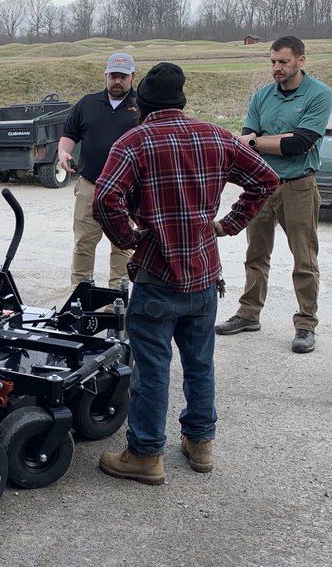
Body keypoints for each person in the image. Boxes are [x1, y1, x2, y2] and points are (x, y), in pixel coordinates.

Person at [92, 63, 279, 484]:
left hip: (157, 273)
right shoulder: (216, 135)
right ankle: (200, 443)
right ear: (182, 100)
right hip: (204, 272)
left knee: (153, 366)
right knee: (200, 362)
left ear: (140, 103)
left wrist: (129, 238)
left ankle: (145, 454)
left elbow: (105, 198)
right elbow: (265, 179)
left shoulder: (134, 141)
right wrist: (228, 224)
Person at [216, 35, 332, 354]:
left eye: (283, 62)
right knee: (255, 253)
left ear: (300, 60)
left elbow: (299, 144)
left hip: (298, 185)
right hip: (262, 185)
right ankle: (248, 313)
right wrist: (260, 140)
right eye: (272, 62)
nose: (276, 68)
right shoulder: (262, 96)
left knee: (304, 258)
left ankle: (306, 323)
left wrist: (257, 142)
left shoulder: (319, 95)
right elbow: (245, 136)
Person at [57, 52, 140, 289]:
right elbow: (69, 136)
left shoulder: (141, 106)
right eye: (113, 75)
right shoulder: (87, 103)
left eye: (123, 76)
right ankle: (80, 296)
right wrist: (63, 153)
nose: (117, 81)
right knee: (84, 243)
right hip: (90, 185)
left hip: (127, 191)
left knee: (123, 246)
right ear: (105, 75)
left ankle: (116, 297)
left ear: (132, 76)